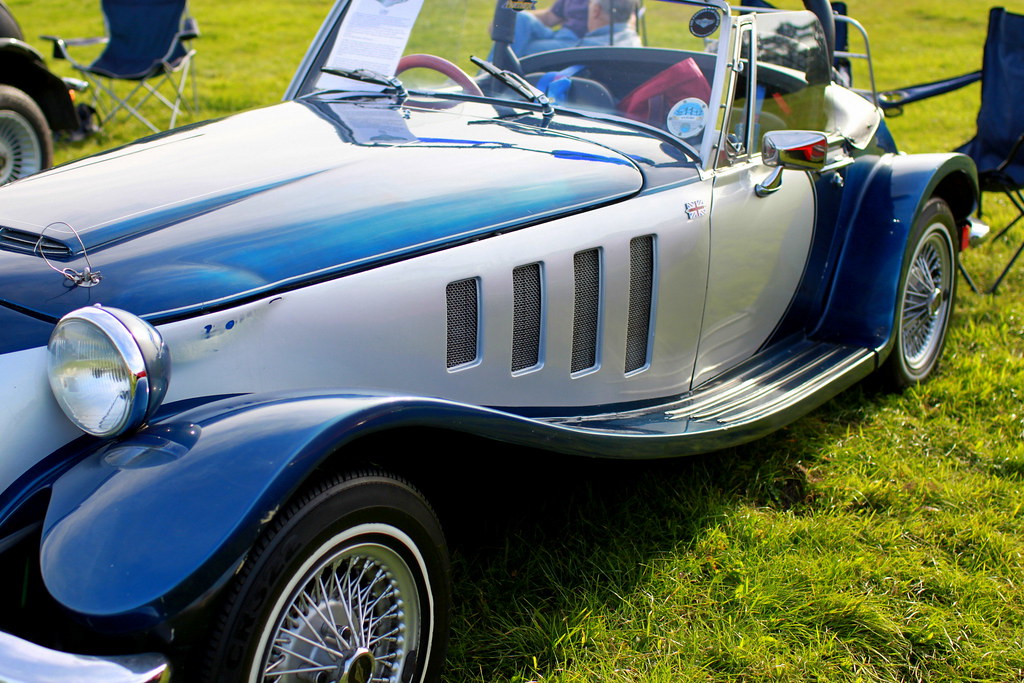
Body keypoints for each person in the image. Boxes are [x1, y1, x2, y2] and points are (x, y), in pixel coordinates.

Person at [512, 0, 640, 57]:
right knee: (520, 17)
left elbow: (626, 19)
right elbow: (550, 16)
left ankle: (497, 78)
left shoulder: (604, 4)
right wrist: (508, 23)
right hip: (559, 35)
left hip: (578, 42)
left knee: (524, 48)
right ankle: (497, 74)